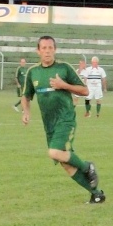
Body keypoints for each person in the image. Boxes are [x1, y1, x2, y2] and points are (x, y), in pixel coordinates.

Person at [21, 36, 105, 204]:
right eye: (44, 48)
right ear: (38, 51)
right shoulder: (33, 72)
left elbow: (85, 91)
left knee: (54, 152)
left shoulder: (64, 68)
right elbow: (26, 95)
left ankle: (87, 167)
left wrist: (63, 85)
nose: (47, 51)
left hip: (65, 119)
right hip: (49, 124)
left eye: (50, 47)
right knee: (65, 163)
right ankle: (96, 194)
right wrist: (26, 111)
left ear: (55, 50)